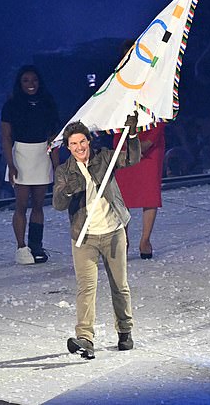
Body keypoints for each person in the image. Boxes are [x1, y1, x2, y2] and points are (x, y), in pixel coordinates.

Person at [52, 114, 140, 360]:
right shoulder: (64, 170)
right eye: (73, 144)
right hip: (85, 237)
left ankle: (124, 329)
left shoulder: (103, 158)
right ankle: (85, 338)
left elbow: (132, 158)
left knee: (119, 286)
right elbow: (58, 203)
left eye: (82, 142)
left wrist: (131, 135)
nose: (79, 148)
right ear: (68, 147)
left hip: (112, 232)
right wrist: (68, 188)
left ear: (88, 141)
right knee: (86, 288)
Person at [1, 65, 60, 264]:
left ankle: (36, 245)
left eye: (33, 80)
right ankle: (21, 246)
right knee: (21, 204)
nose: (30, 84)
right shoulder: (11, 106)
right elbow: (6, 137)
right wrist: (11, 163)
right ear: (20, 83)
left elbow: (53, 135)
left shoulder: (47, 102)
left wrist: (56, 164)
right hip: (21, 153)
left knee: (38, 204)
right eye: (26, 81)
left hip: (42, 153)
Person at [113, 123, 165, 259]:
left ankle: (145, 240)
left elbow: (162, 113)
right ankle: (123, 240)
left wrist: (149, 142)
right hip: (124, 137)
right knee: (122, 193)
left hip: (152, 142)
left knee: (150, 191)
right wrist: (126, 144)